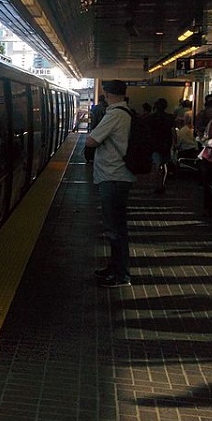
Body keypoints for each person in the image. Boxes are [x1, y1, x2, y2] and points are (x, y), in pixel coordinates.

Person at [86, 80, 134, 287]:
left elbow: (91, 141)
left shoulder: (115, 114)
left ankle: (121, 274)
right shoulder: (127, 112)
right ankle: (114, 268)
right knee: (116, 227)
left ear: (107, 94)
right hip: (118, 176)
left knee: (115, 229)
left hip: (113, 176)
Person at [148, 98, 174, 193]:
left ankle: (157, 184)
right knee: (164, 164)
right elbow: (172, 131)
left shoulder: (152, 118)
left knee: (157, 165)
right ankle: (162, 183)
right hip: (166, 143)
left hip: (155, 144)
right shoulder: (170, 117)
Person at [85, 95, 108, 162]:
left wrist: (91, 127)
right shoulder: (107, 108)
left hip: (96, 128)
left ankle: (92, 157)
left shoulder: (95, 108)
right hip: (104, 129)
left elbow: (93, 119)